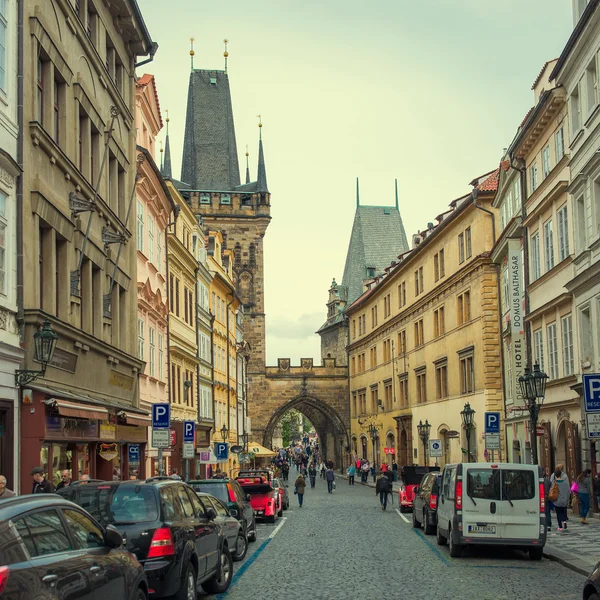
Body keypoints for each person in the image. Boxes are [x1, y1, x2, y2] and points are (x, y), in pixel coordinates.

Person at [552, 467, 571, 532]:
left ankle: (560, 526)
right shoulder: (565, 483)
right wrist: (567, 499)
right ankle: (564, 521)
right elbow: (568, 491)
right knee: (563, 511)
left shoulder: (555, 484)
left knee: (558, 513)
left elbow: (552, 492)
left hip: (557, 501)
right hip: (564, 500)